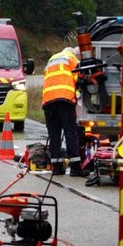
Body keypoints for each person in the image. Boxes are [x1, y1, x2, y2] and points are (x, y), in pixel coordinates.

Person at [42, 46, 84, 176]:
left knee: (54, 134)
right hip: (64, 100)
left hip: (48, 101)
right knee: (70, 132)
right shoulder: (71, 58)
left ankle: (57, 167)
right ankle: (75, 167)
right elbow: (79, 77)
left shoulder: (52, 59)